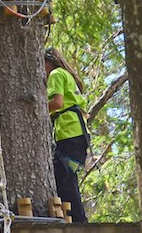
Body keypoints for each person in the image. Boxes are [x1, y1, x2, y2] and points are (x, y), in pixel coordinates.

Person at [45, 46, 89, 223]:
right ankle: (75, 218)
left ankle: (78, 221)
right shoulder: (66, 75)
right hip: (77, 134)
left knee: (63, 177)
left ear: (48, 63)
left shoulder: (56, 74)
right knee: (65, 176)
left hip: (70, 134)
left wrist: (38, 107)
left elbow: (57, 102)